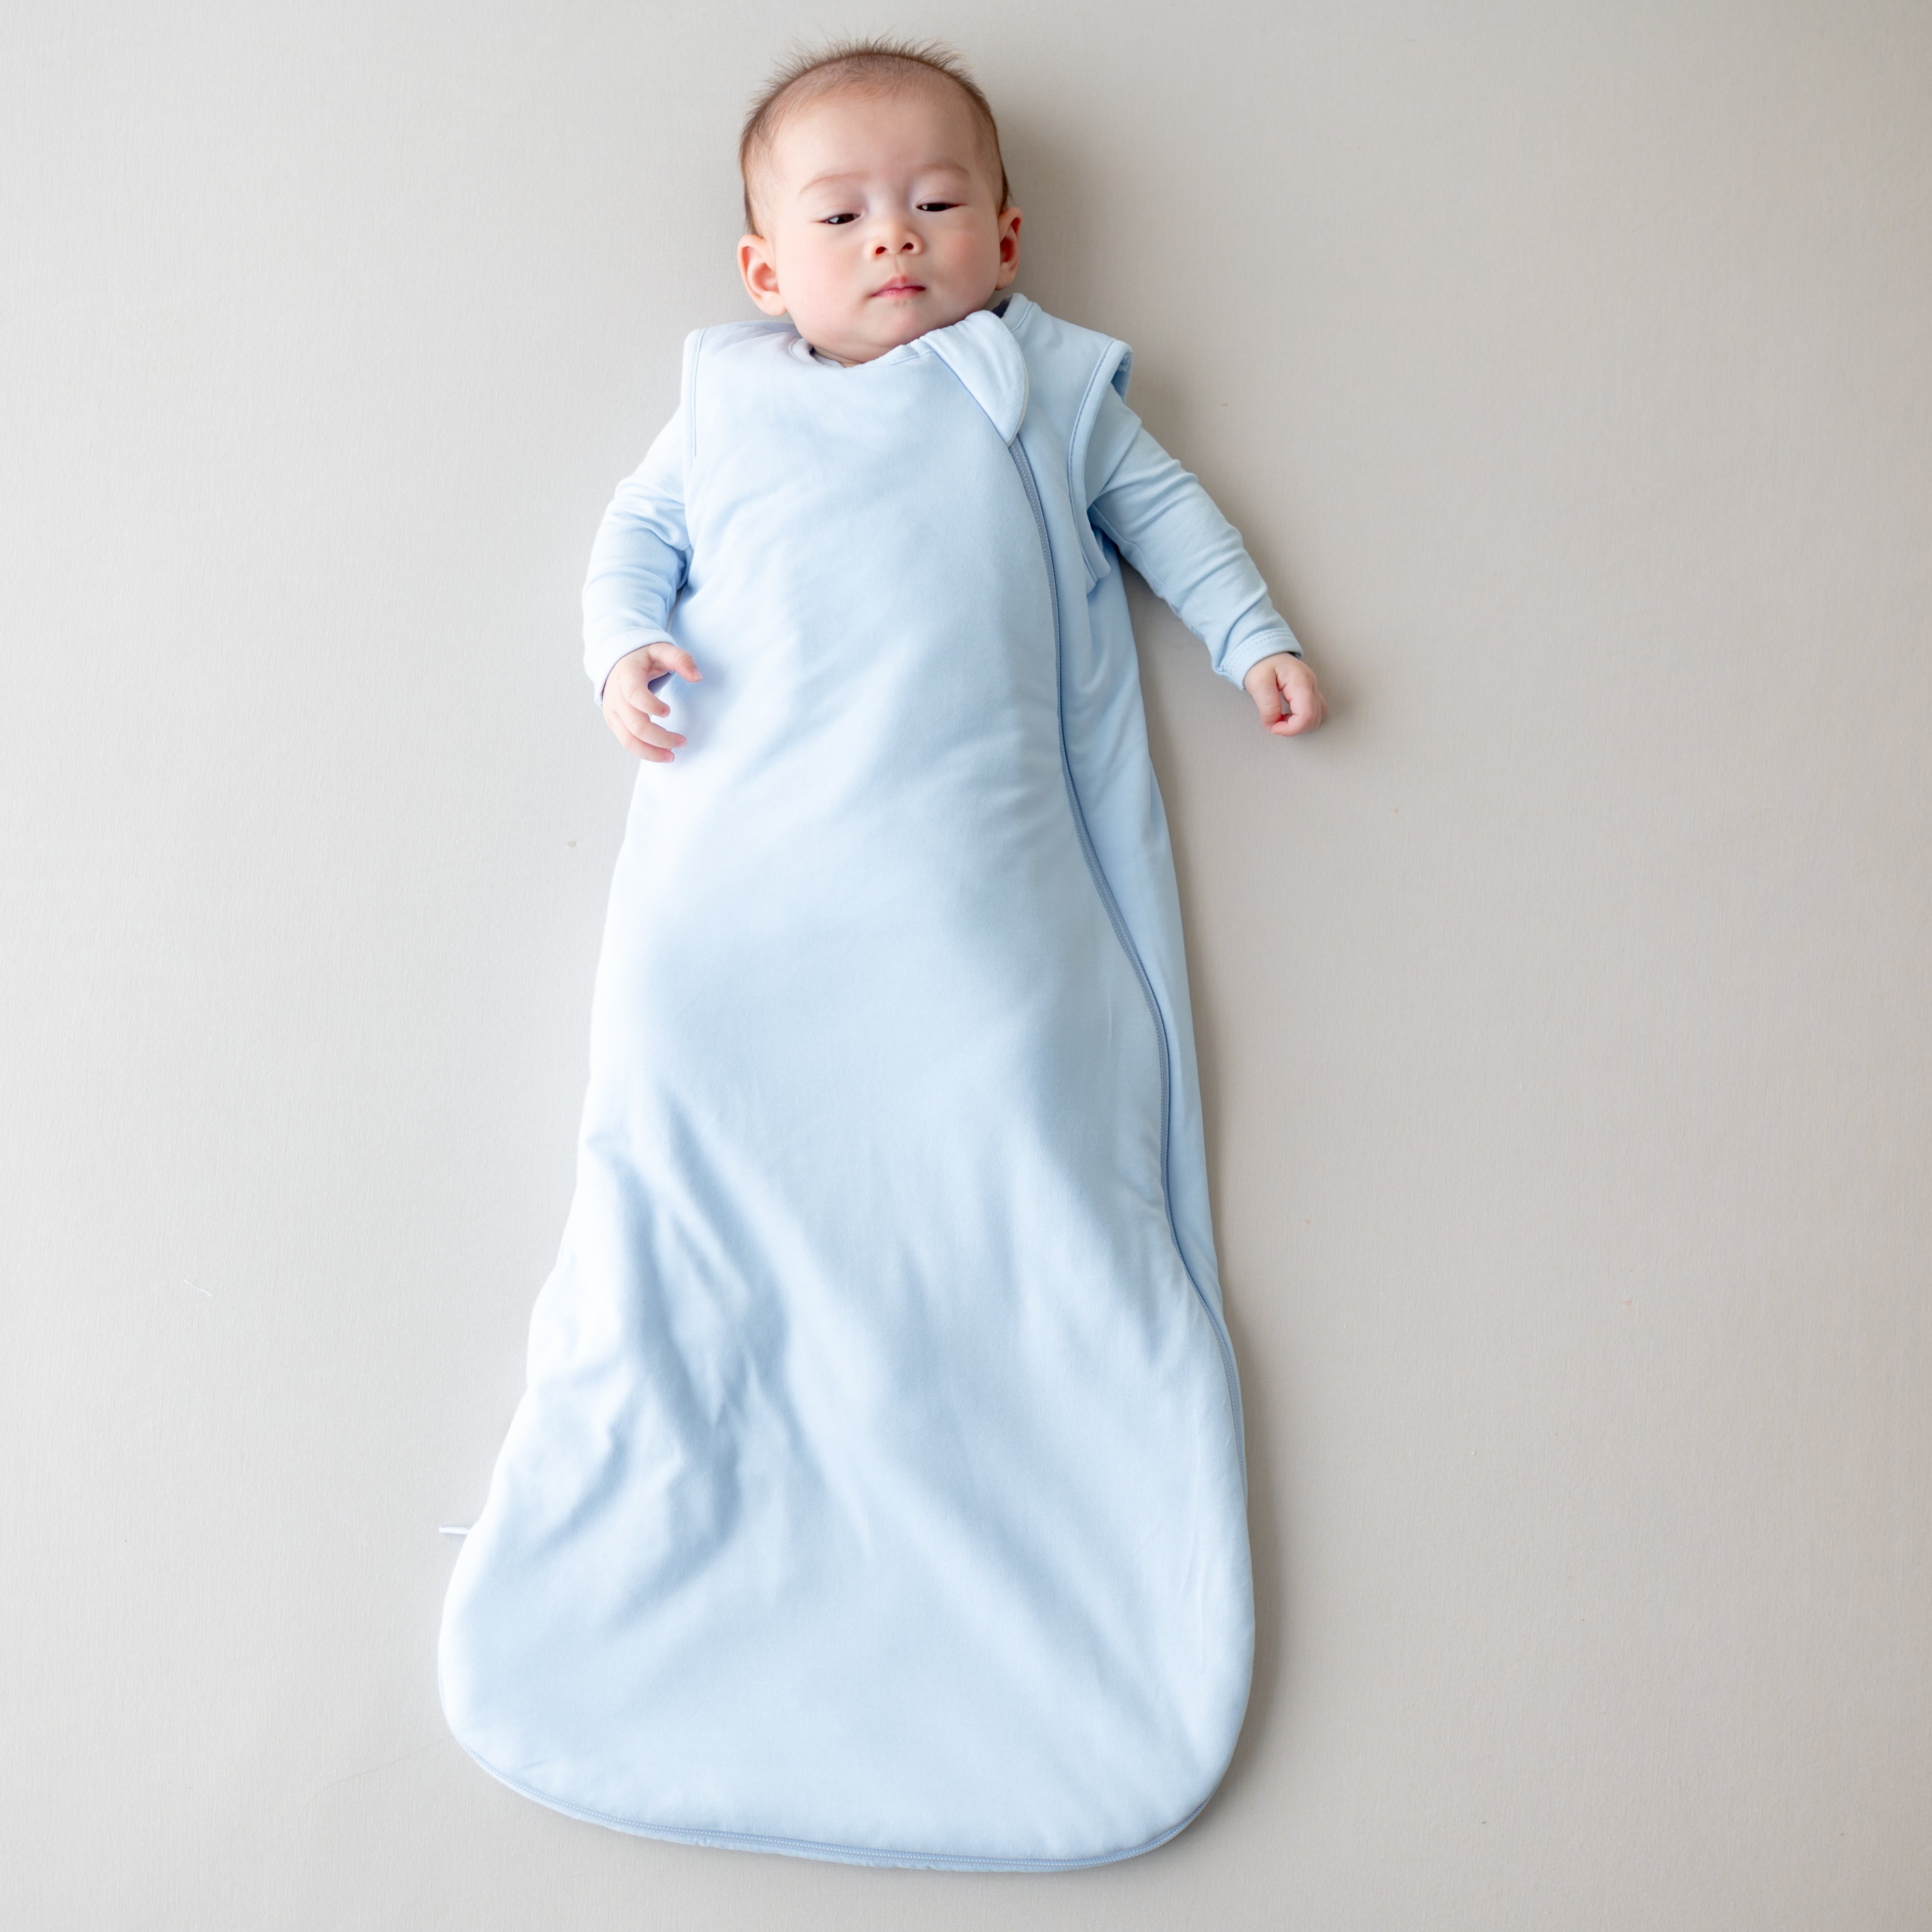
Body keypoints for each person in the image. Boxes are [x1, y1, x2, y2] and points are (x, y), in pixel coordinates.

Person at [439, 36, 1329, 1872]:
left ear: (1005, 237)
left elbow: (1166, 512)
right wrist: (622, 652)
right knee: (681, 1143)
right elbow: (635, 537)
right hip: (740, 891)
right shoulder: (723, 404)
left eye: (935, 204)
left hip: (965, 881)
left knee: (1014, 1129)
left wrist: (1249, 633)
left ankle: (1024, 1505)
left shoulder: (1040, 384)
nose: (894, 240)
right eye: (840, 217)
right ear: (765, 270)